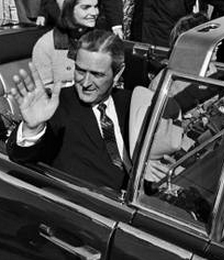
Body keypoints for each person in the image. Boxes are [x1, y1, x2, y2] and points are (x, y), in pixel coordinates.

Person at [7, 29, 131, 191]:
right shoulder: (57, 106)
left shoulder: (130, 102)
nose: (86, 82)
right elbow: (20, 158)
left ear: (117, 73)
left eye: (97, 74)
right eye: (80, 70)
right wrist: (31, 128)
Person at [32, 0, 100, 87]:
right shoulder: (46, 45)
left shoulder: (100, 40)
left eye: (96, 6)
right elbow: (44, 92)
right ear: (67, 8)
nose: (94, 13)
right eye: (86, 7)